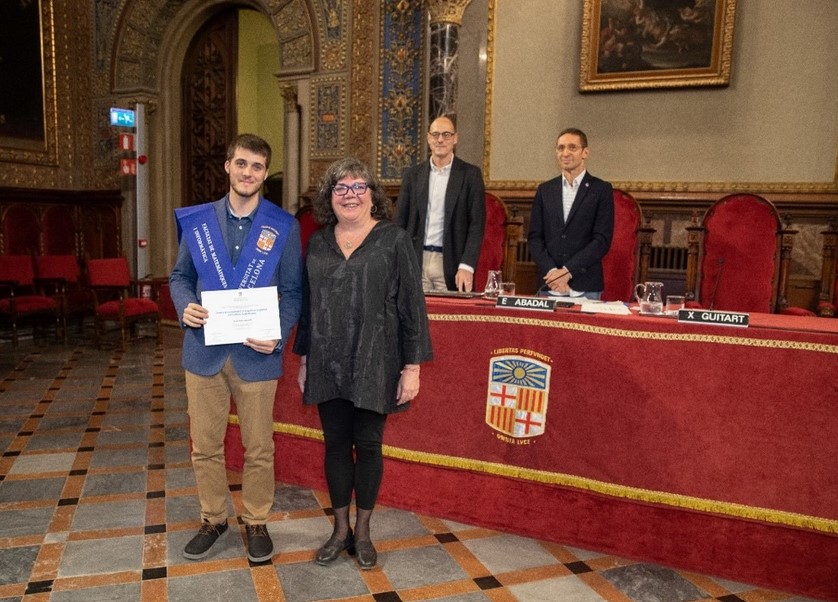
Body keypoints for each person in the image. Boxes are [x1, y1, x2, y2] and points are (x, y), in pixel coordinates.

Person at [293, 157, 433, 570]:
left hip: (377, 359)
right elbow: (308, 305)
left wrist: (413, 367)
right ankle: (340, 531)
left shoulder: (394, 239)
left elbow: (413, 306)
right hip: (326, 358)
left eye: (358, 187)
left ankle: (365, 533)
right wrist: (303, 359)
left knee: (368, 445)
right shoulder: (318, 242)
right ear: (329, 197)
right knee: (335, 445)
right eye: (341, 188)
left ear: (372, 194)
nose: (350, 195)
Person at [169, 134, 302, 563]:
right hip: (204, 352)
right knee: (204, 446)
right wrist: (185, 305)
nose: (248, 173)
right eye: (241, 164)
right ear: (227, 166)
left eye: (257, 167)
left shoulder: (283, 225)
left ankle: (257, 521)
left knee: (259, 447)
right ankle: (213, 518)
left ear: (265, 173)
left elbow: (295, 292)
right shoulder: (199, 222)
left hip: (256, 354)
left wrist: (278, 335)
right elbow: (179, 277)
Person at [394, 114, 486, 292]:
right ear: (428, 138)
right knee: (415, 318)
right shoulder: (413, 175)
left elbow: (477, 225)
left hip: (452, 263)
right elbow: (399, 222)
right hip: (416, 260)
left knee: (448, 317)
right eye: (435, 135)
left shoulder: (470, 175)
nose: (440, 140)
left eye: (446, 135)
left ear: (455, 138)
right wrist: (400, 260)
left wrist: (467, 266)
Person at [527, 128, 614, 299]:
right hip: (549, 284)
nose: (565, 153)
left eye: (572, 147)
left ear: (585, 152)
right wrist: (554, 273)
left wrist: (567, 272)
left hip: (586, 285)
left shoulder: (601, 190)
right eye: (560, 148)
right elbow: (535, 238)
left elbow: (601, 240)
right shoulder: (545, 190)